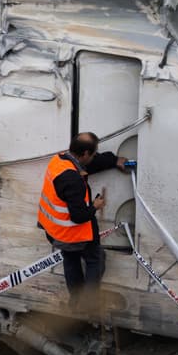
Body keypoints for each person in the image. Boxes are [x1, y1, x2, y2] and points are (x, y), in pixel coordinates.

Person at [38, 132, 128, 312]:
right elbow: (78, 216)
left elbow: (88, 165)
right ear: (85, 153)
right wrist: (95, 206)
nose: (94, 157)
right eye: (93, 154)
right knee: (95, 260)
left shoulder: (59, 160)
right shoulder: (73, 180)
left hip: (55, 230)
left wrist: (113, 160)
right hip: (73, 233)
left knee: (70, 261)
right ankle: (89, 303)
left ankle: (76, 301)